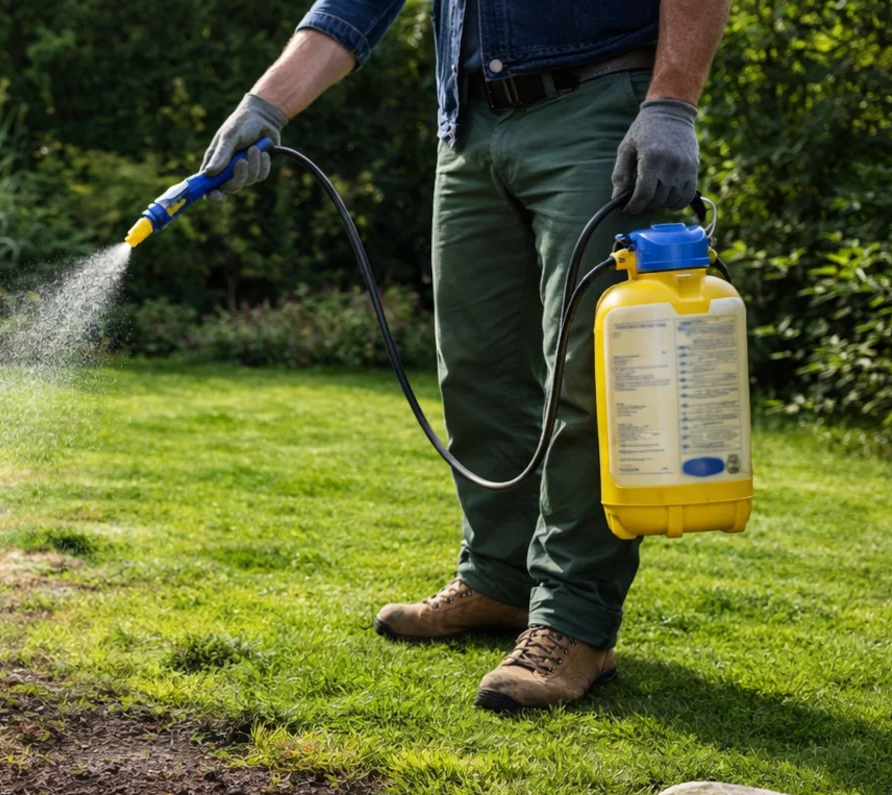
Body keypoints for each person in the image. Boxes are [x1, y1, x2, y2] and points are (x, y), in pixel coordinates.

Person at [200, 0, 730, 709]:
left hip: (600, 107)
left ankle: (575, 622)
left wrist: (672, 103)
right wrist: (265, 104)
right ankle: (498, 578)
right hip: (470, 125)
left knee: (591, 376)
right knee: (477, 368)